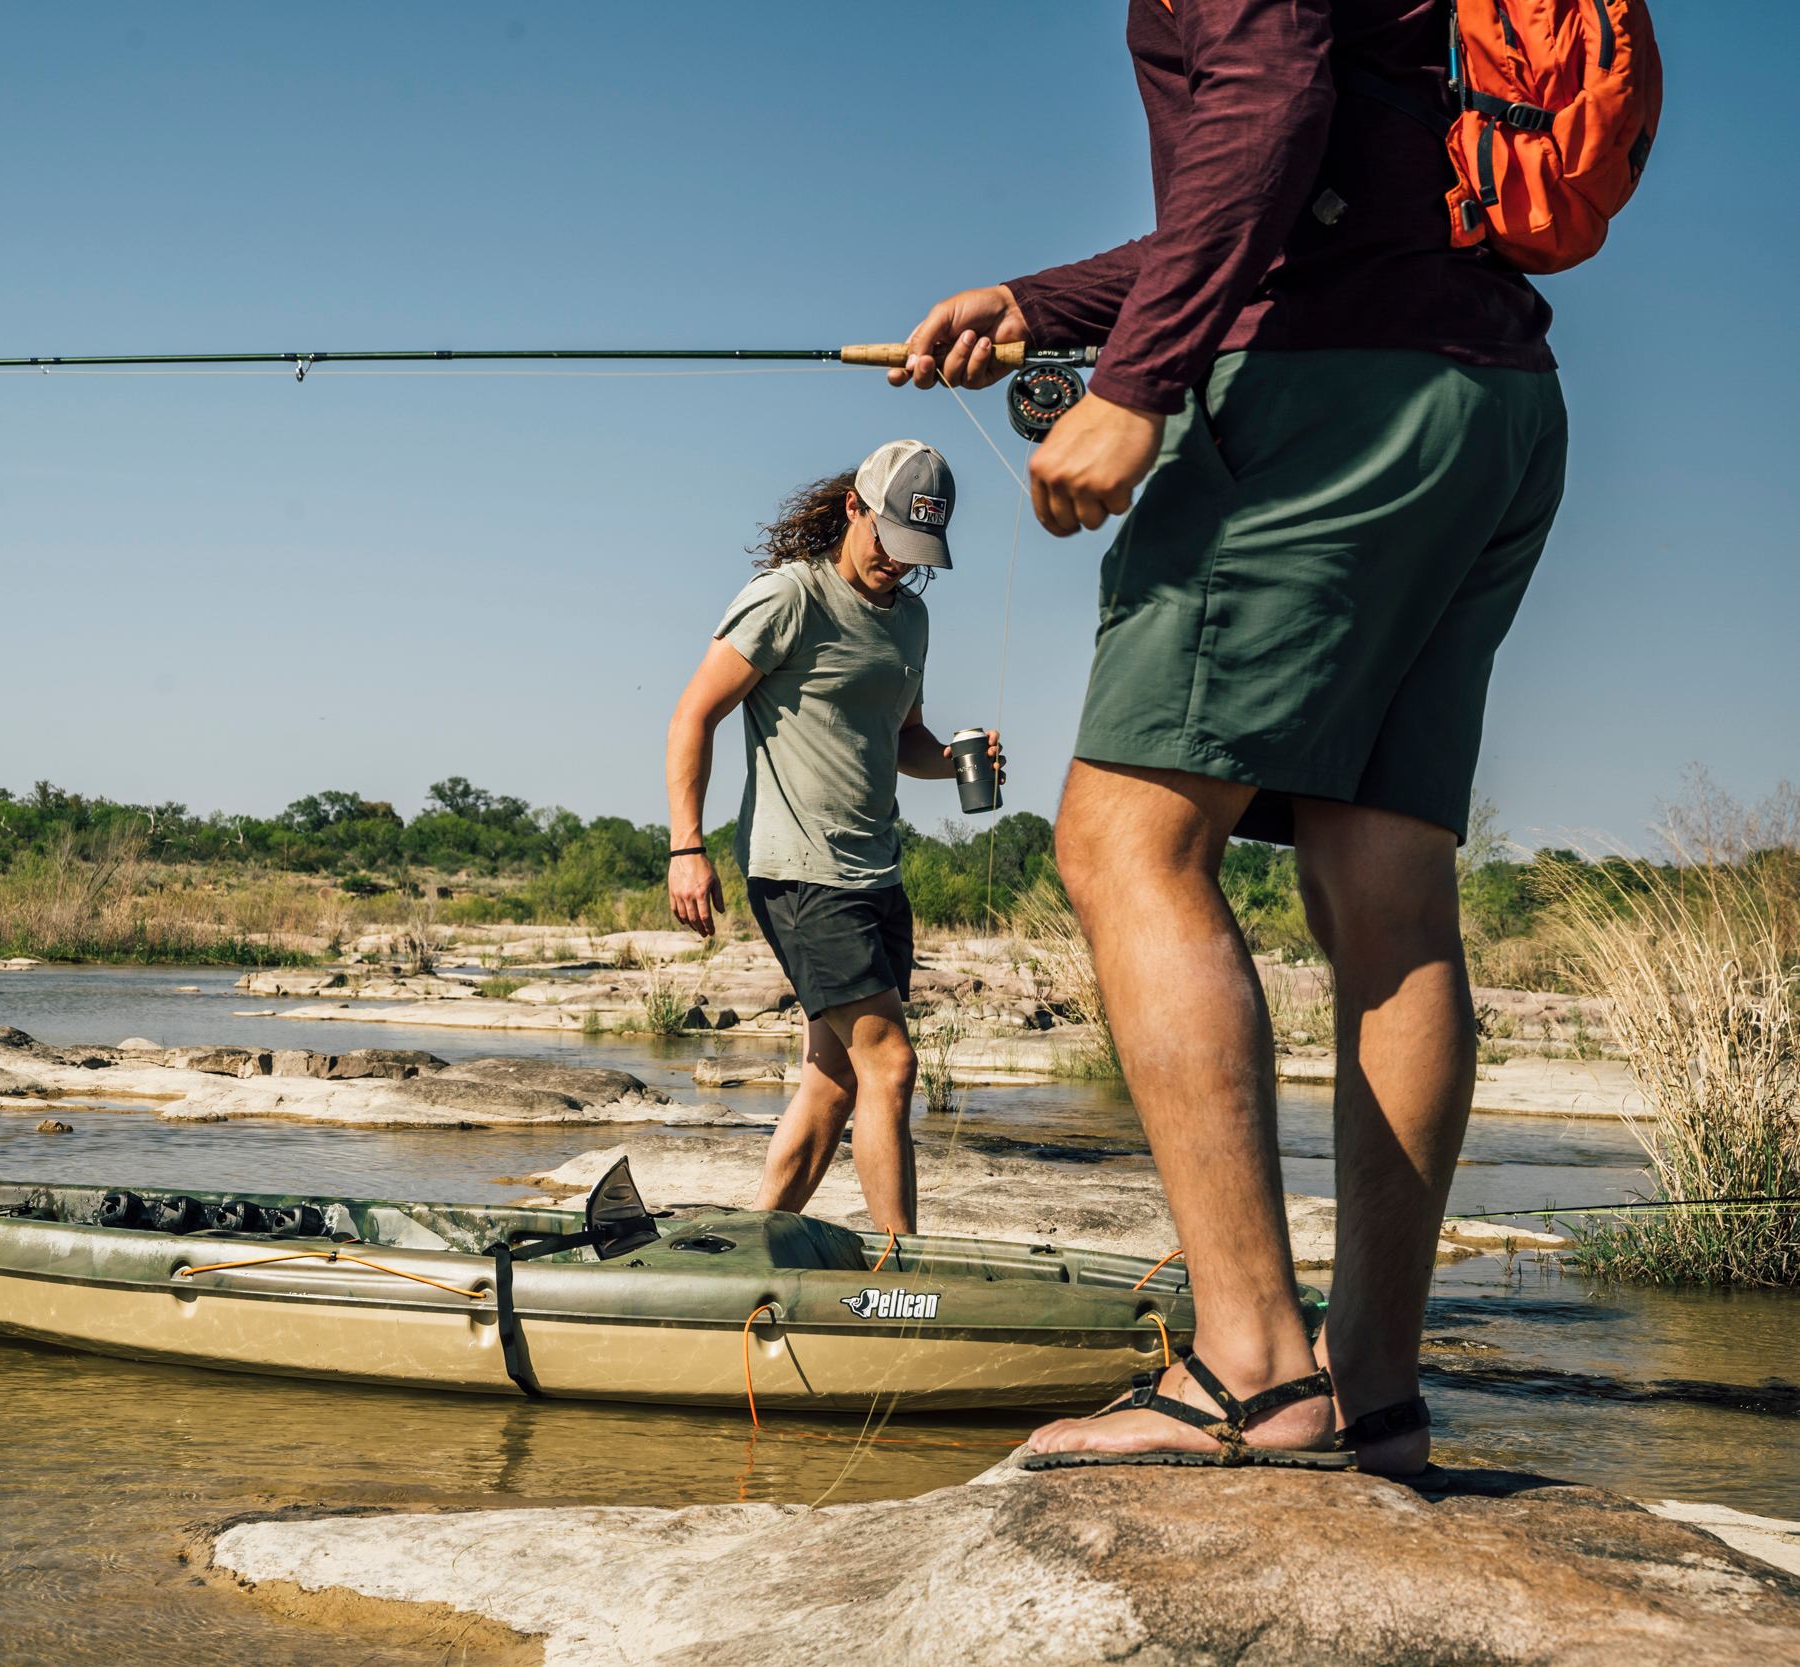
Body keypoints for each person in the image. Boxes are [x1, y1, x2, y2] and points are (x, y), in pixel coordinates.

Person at [889, 0, 1567, 1474]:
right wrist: (1041, 300)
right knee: (1384, 885)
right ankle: (1373, 1392)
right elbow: (1330, 176)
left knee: (1125, 839)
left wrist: (1134, 385)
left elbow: (1266, 112)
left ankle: (1253, 1366)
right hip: (1487, 403)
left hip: (1324, 403)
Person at [664, 440, 1004, 1235]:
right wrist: (687, 845)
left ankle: (757, 1241)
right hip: (800, 871)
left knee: (836, 1079)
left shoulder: (912, 619)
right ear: (854, 507)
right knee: (891, 1063)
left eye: (919, 552)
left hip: (875, 871)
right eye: (889, 540)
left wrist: (959, 762)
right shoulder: (788, 598)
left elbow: (903, 741)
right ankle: (903, 1275)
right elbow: (693, 714)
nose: (900, 564)